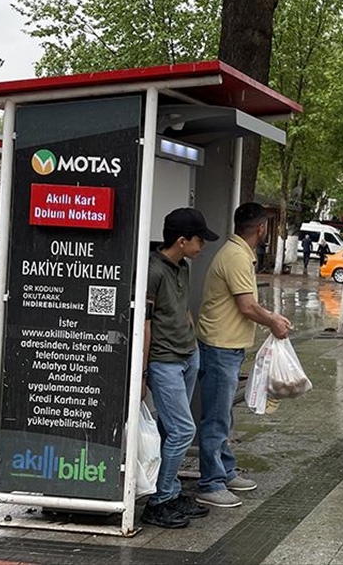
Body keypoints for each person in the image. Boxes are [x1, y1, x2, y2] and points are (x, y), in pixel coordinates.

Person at [195, 203, 291, 509]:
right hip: (219, 346)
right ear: (261, 229)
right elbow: (247, 306)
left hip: (227, 345)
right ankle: (210, 482)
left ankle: (224, 470)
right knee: (216, 416)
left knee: (224, 413)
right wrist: (274, 321)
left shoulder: (238, 253)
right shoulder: (236, 256)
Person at [140, 208, 220, 529]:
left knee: (170, 429)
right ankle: (158, 501)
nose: (203, 247)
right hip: (164, 361)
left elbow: (182, 307)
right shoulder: (152, 270)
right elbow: (145, 324)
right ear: (182, 241)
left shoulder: (183, 267)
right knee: (183, 430)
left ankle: (170, 493)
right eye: (200, 240)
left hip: (188, 355)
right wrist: (143, 372)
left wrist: (194, 343)